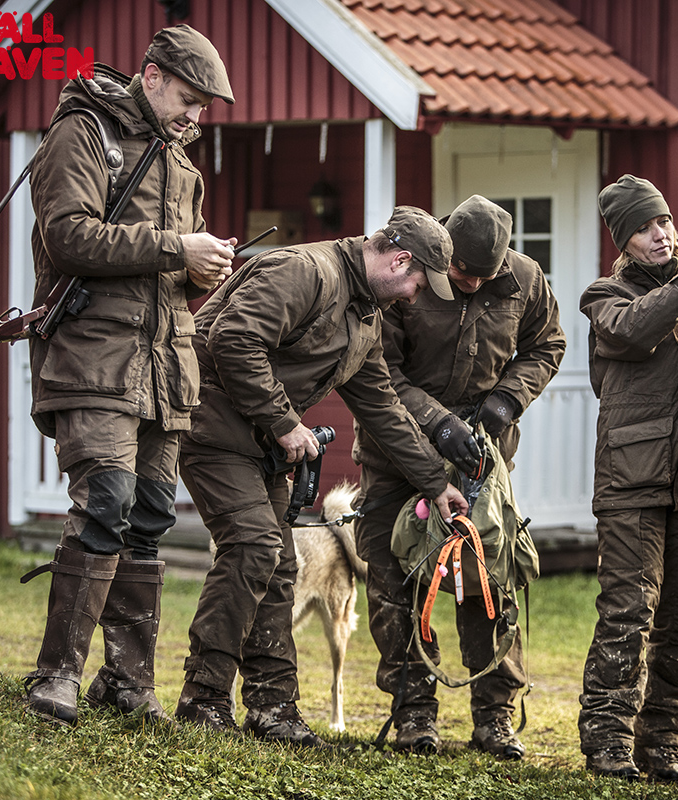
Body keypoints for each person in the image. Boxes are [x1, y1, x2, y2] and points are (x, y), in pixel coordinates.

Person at [173, 206, 470, 748]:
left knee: (280, 563)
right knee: (254, 547)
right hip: (210, 423)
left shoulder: (364, 317)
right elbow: (232, 340)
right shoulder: (306, 272)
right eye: (418, 284)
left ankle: (272, 707)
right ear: (400, 260)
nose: (414, 297)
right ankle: (203, 698)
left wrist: (435, 483)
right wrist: (286, 423)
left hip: (257, 442)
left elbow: (382, 406)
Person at [22, 24, 237, 726]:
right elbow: (69, 235)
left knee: (148, 520)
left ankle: (126, 684)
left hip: (164, 368)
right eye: (188, 97)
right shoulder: (83, 133)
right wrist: (179, 246)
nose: (195, 116)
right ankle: (56, 675)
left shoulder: (182, 162)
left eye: (204, 105)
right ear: (150, 76)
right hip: (94, 358)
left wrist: (203, 268)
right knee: (106, 501)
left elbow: (167, 282)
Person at [352, 195, 566, 758]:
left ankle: (494, 718)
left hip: (482, 461)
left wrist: (506, 400)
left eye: (482, 276)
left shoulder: (525, 279)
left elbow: (548, 345)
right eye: (461, 272)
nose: (469, 284)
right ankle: (413, 712)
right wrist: (436, 420)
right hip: (396, 452)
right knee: (395, 582)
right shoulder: (413, 276)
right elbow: (378, 371)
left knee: (488, 580)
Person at [576, 174, 678, 783]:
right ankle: (607, 742)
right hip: (632, 481)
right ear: (624, 238)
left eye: (664, 223)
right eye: (645, 227)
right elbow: (632, 331)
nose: (661, 235)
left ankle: (661, 743)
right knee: (628, 612)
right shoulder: (606, 295)